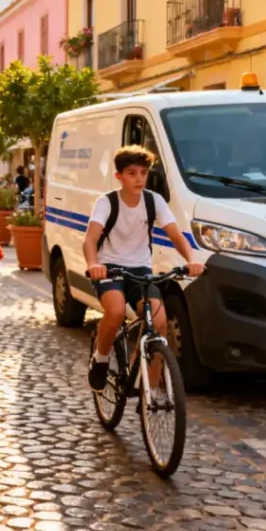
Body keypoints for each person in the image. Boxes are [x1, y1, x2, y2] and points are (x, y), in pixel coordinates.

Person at [83, 146, 204, 393]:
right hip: (110, 269)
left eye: (143, 173)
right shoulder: (106, 202)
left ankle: (148, 389)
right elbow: (90, 239)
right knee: (115, 312)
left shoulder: (154, 200)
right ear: (119, 176)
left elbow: (175, 235)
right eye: (131, 173)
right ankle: (102, 358)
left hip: (140, 268)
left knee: (158, 322)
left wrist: (192, 258)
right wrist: (93, 264)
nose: (139, 178)